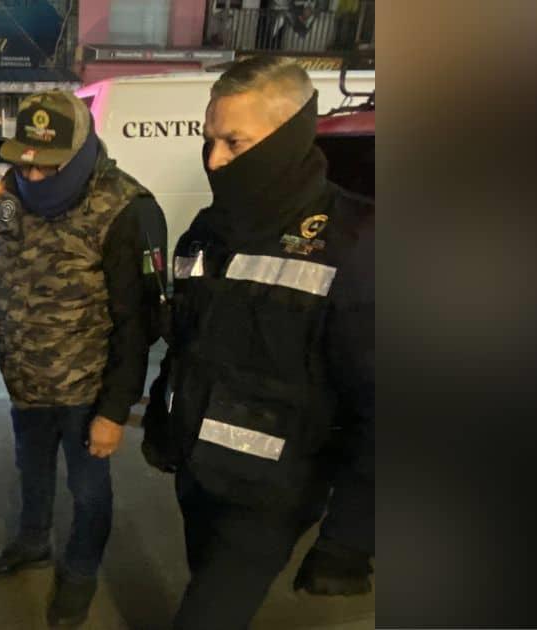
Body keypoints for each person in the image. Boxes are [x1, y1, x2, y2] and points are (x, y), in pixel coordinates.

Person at [139, 56, 374, 629]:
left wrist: (348, 538)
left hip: (273, 495)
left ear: (288, 135)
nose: (215, 160)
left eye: (234, 143)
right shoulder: (205, 231)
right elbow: (187, 348)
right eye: (209, 140)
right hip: (199, 473)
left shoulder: (357, 244)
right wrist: (163, 425)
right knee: (209, 590)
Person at [0, 90, 168, 628]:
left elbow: (137, 324)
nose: (30, 177)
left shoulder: (126, 207)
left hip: (88, 392)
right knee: (31, 472)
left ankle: (79, 576)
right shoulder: (8, 193)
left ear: (78, 154)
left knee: (89, 493)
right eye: (23, 163)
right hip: (25, 379)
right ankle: (33, 543)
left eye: (46, 166)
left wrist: (113, 410)